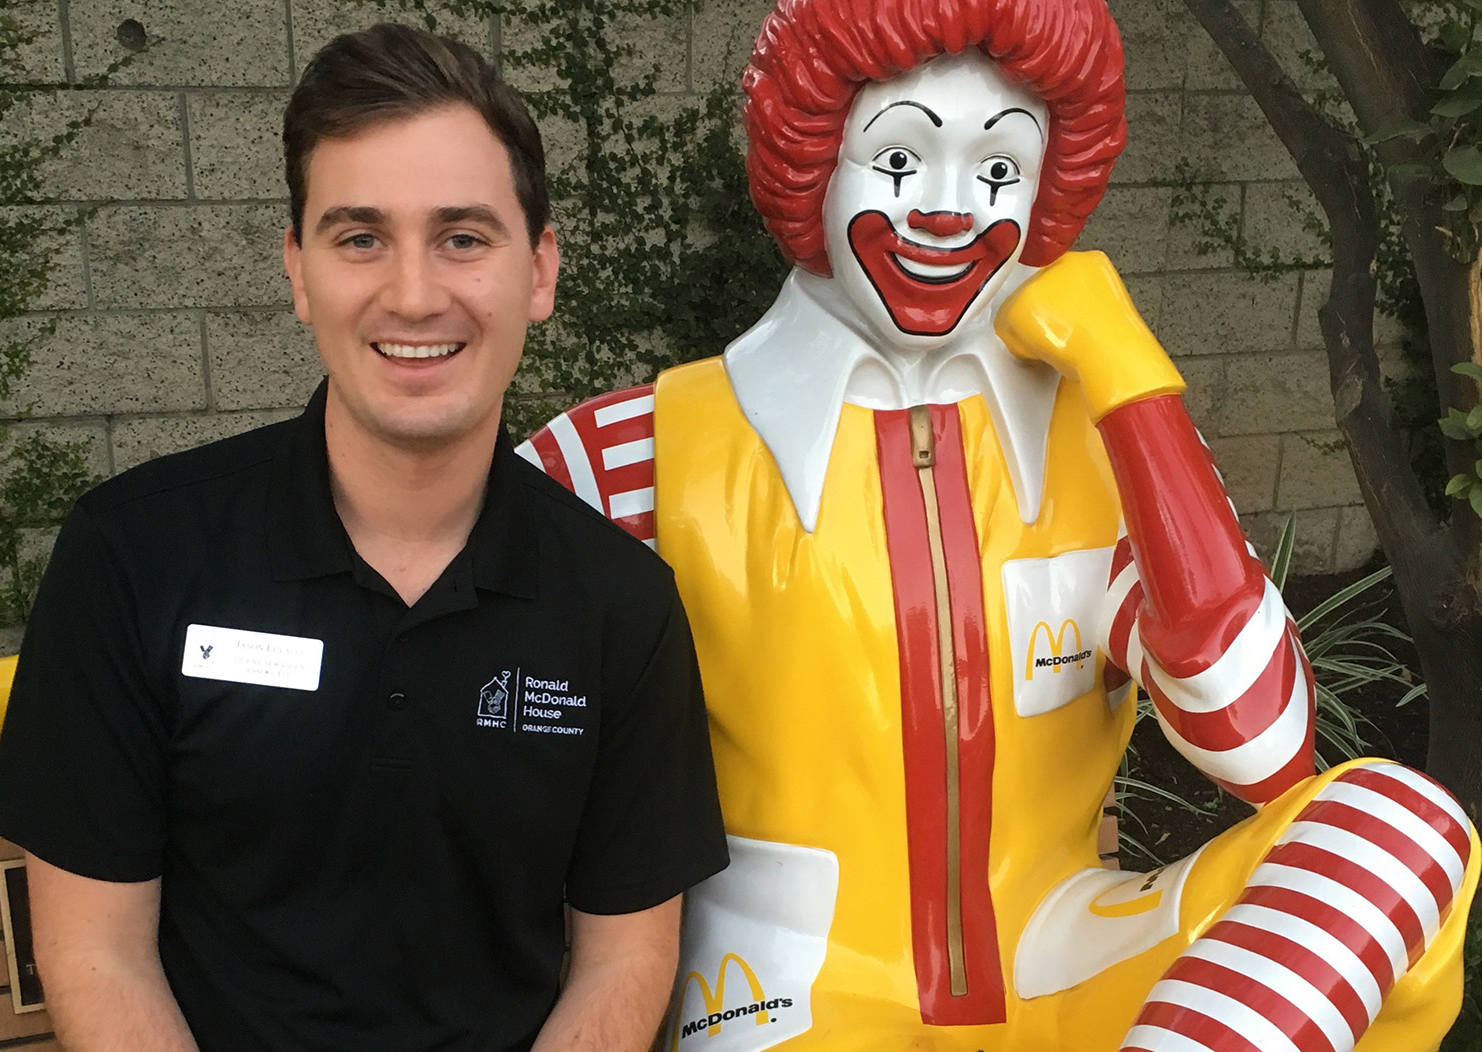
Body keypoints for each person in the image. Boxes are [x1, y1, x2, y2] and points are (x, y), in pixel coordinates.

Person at [522, 0, 1479, 1049]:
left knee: (1399, 824)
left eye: (996, 172)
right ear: (811, 164)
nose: (948, 210)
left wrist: (1129, 378)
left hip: (1067, 950)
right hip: (787, 988)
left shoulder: (1107, 448)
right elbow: (452, 683)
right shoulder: (642, 447)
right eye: (897, 160)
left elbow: (1264, 748)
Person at [0, 23, 729, 1052]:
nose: (414, 293)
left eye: (462, 236)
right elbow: (96, 948)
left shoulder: (619, 603)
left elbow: (625, 957)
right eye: (359, 236)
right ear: (298, 271)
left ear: (540, 270)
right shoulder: (133, 554)